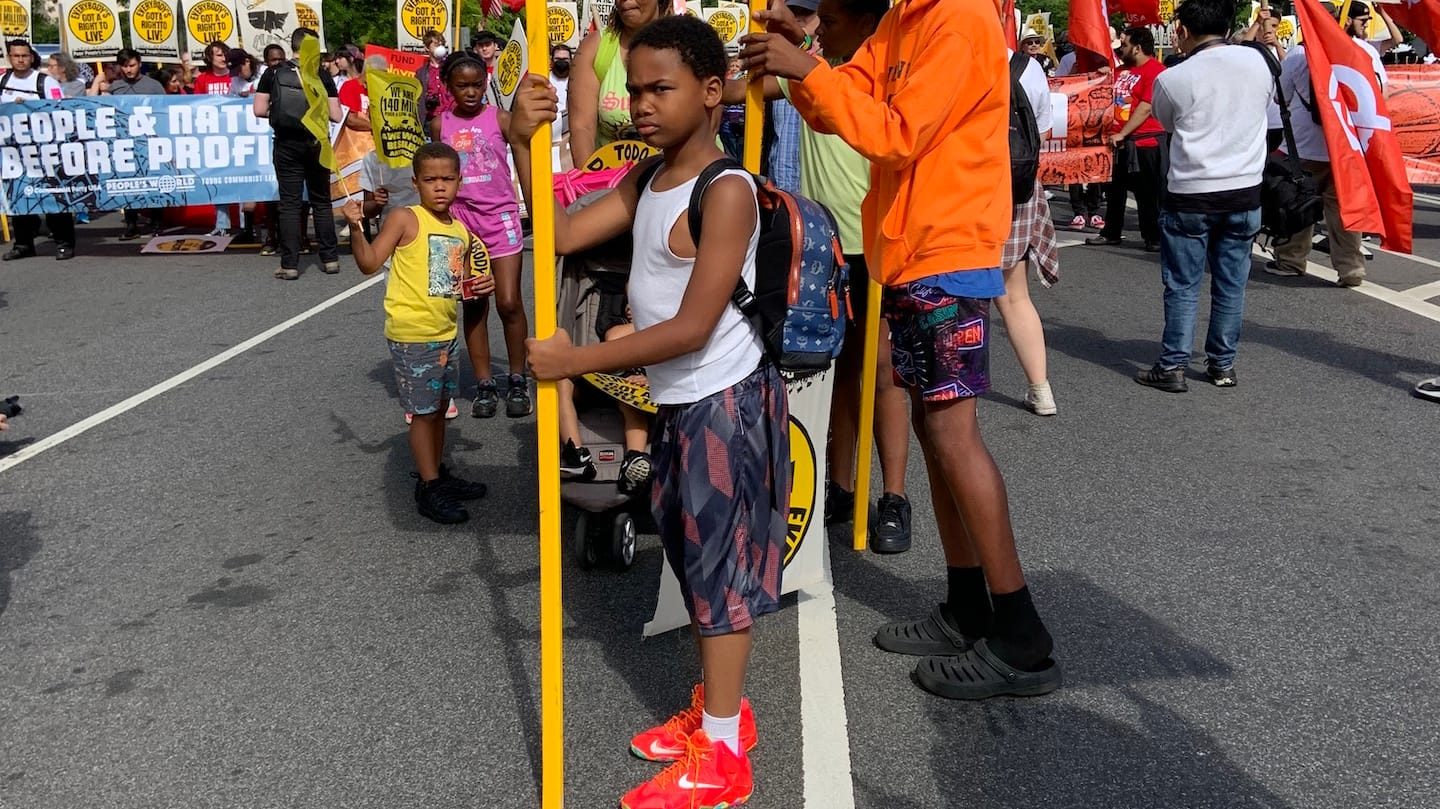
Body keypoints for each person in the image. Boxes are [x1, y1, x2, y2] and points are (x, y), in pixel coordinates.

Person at [743, 0, 1062, 700]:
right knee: (932, 427)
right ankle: (969, 604)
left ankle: (1021, 634)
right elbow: (839, 105)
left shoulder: (959, 17)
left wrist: (808, 69)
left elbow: (897, 135)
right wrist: (803, 60)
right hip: (913, 252)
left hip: (947, 248)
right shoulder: (903, 22)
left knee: (952, 433)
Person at [513, 17, 789, 806]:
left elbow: (694, 326)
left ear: (711, 92)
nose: (640, 104)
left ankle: (727, 756)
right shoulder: (647, 179)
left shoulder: (725, 190)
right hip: (682, 406)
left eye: (659, 88)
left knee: (720, 577)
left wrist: (576, 360)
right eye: (632, 89)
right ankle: (718, 711)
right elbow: (561, 232)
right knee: (695, 561)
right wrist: (518, 140)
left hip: (725, 406)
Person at [721, 0, 911, 551]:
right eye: (816, 22)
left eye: (829, 22)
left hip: (876, 244)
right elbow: (743, 93)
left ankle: (894, 497)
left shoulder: (887, 78)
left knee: (882, 376)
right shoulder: (818, 73)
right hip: (824, 247)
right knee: (838, 376)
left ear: (866, 23)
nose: (820, 30)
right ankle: (841, 486)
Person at [342, 143, 493, 523]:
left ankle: (438, 474)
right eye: (430, 180)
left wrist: (477, 286)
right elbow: (369, 263)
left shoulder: (459, 230)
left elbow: (449, 287)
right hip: (412, 334)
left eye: (447, 179)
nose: (439, 187)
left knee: (441, 408)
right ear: (416, 183)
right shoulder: (405, 218)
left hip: (444, 332)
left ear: (459, 181)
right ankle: (428, 487)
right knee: (423, 414)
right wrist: (356, 228)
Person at [1135, 0, 1270, 393]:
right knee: (1231, 284)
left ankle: (1173, 365)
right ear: (1228, 25)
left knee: (1183, 285)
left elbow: (1169, 124)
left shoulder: (1174, 77)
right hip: (1244, 190)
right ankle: (1222, 365)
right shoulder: (1259, 64)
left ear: (1182, 29)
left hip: (1191, 192)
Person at [429, 54, 532, 419]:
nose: (471, 92)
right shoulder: (439, 125)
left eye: (477, 84)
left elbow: (525, 158)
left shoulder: (501, 119)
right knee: (473, 303)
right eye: (462, 86)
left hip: (500, 218)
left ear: (486, 82)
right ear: (449, 87)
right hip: (461, 222)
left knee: (508, 301)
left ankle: (518, 377)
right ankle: (485, 382)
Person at [1265, 5, 1384, 286]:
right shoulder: (1365, 52)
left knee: (1298, 205)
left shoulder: (1298, 55)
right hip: (1348, 150)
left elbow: (1279, 99)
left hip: (1305, 148)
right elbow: (1381, 96)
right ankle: (1351, 269)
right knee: (1344, 212)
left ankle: (1291, 260)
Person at [999, 37, 1061, 415]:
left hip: (956, 189)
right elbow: (1042, 131)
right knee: (1015, 295)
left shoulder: (940, 53)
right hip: (1015, 190)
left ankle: (960, 397)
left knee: (961, 299)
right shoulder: (1025, 66)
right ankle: (1041, 390)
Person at [253, 28, 343, 280]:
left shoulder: (273, 73)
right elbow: (336, 115)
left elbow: (259, 110)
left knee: (290, 204)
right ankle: (330, 259)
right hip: (316, 143)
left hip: (287, 143)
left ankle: (290, 264)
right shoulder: (321, 75)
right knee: (322, 201)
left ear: (292, 46)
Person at [1085, 27, 1165, 252]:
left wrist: (1123, 133)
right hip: (1117, 142)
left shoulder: (1156, 71)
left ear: (1138, 48)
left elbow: (1146, 107)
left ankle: (1153, 236)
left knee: (1147, 192)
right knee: (1114, 190)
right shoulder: (1121, 71)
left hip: (1144, 142)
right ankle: (1111, 231)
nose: (1121, 49)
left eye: (1125, 45)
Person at [567, 0, 672, 159]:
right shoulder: (595, 47)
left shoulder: (688, 45)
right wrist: (589, 180)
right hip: (612, 179)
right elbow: (582, 128)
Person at [1, 39, 73, 262]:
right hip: (14, 154)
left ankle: (64, 242)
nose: (20, 60)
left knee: (54, 197)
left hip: (45, 152)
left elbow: (60, 112)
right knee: (19, 197)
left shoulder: (46, 82)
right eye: (16, 56)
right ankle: (23, 244)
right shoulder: (3, 81)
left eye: (24, 55)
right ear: (9, 57)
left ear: (31, 57)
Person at [96, 49, 167, 240]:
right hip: (124, 142)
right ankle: (131, 224)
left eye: (132, 65)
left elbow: (165, 109)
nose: (128, 70)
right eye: (125, 66)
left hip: (149, 140)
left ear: (139, 63)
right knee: (128, 183)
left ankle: (157, 221)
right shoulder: (114, 87)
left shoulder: (153, 86)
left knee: (154, 181)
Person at [414, 30, 450, 129]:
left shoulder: (451, 67)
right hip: (430, 120)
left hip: (449, 118)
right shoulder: (421, 73)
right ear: (427, 48)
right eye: (436, 45)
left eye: (441, 44)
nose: (440, 47)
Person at [550, 43, 574, 170]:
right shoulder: (545, 79)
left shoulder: (577, 79)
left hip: (570, 131)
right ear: (551, 60)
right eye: (558, 59)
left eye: (565, 60)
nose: (561, 62)